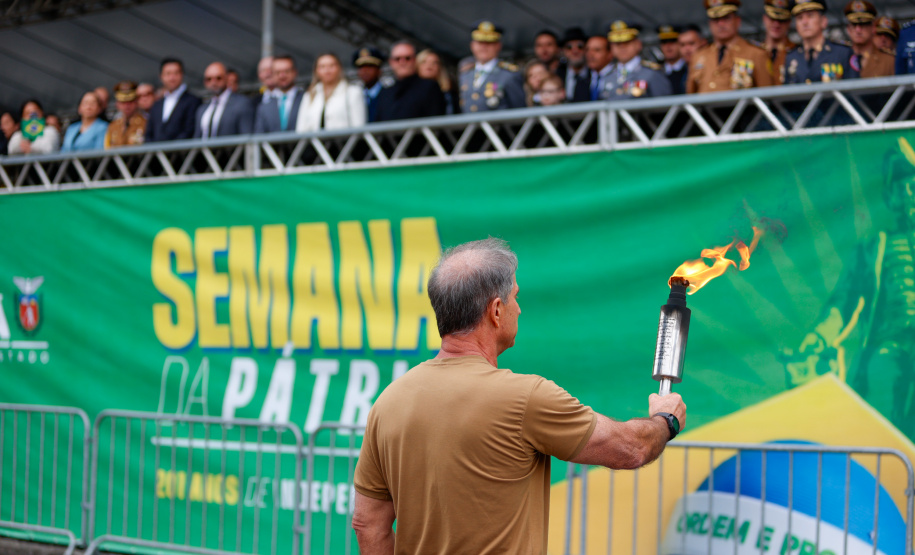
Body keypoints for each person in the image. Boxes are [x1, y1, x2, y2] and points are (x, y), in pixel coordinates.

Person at [351, 238, 687, 554]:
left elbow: (368, 524)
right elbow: (630, 448)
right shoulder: (525, 398)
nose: (520, 309)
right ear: (496, 311)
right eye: (515, 297)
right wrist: (665, 419)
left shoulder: (389, 402)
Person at [687, 0, 774, 93]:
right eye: (716, 19)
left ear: (737, 21)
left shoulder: (756, 53)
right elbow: (690, 95)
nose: (720, 24)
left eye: (726, 18)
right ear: (710, 24)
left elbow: (767, 95)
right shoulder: (698, 56)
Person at [784, 0, 860, 84]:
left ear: (823, 21)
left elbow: (854, 91)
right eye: (800, 18)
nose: (804, 22)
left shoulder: (842, 52)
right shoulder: (791, 57)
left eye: (810, 16)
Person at [458, 21, 526, 112]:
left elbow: (519, 109)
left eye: (489, 43)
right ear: (472, 45)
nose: (484, 47)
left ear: (498, 46)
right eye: (480, 43)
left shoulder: (509, 74)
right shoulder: (465, 74)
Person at [375, 42, 446, 121]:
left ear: (415, 60)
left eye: (407, 58)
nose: (402, 62)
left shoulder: (429, 87)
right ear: (391, 62)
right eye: (397, 59)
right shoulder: (384, 93)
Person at [296, 53, 366, 131]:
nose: (327, 70)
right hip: (313, 142)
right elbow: (301, 128)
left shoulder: (352, 92)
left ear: (339, 68)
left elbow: (359, 126)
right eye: (322, 66)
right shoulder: (310, 94)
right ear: (316, 70)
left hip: (344, 141)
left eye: (331, 66)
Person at [604, 21, 672, 100]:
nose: (622, 47)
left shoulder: (652, 72)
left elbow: (664, 105)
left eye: (627, 42)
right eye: (617, 44)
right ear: (611, 47)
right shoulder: (607, 76)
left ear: (638, 44)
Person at [145, 57, 201, 143]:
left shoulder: (192, 101)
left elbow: (189, 131)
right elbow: (149, 134)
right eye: (168, 74)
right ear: (161, 77)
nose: (172, 78)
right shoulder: (157, 105)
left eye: (176, 73)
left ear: (182, 74)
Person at [193, 61, 255, 138]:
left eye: (218, 78)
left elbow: (247, 136)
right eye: (209, 79)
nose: (213, 82)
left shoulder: (242, 103)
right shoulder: (202, 109)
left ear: (227, 79)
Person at [255, 55, 303, 134]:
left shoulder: (306, 99)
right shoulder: (264, 106)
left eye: (286, 71)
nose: (282, 76)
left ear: (295, 72)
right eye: (278, 72)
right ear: (272, 75)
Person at [844, 1, 893, 78]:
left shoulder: (889, 61)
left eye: (863, 24)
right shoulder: (840, 58)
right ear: (848, 29)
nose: (858, 30)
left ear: (873, 28)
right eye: (854, 25)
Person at [760, 0, 797, 82]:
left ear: (789, 22)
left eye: (781, 20)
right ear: (764, 19)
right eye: (772, 18)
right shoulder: (755, 52)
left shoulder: (796, 52)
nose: (776, 24)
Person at [417, 48, 460, 115]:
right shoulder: (409, 92)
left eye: (434, 62)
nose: (429, 66)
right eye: (424, 62)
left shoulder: (449, 95)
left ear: (440, 67)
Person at [105, 81, 147, 148]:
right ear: (117, 104)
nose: (127, 106)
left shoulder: (145, 124)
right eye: (123, 102)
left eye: (130, 102)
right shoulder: (112, 126)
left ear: (136, 102)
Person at [557, 27, 591, 102]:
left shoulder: (595, 74)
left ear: (586, 49)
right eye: (569, 47)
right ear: (563, 51)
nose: (575, 51)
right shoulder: (558, 75)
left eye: (580, 47)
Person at [353, 47, 385, 122]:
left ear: (379, 70)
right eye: (361, 67)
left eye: (370, 66)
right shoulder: (355, 95)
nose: (365, 70)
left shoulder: (388, 94)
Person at [658, 25, 687, 94]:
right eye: (664, 42)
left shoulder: (690, 68)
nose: (668, 46)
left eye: (673, 41)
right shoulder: (657, 71)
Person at [585, 35, 615, 100]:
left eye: (597, 50)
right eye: (587, 50)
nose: (590, 54)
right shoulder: (582, 80)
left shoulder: (620, 77)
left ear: (610, 53)